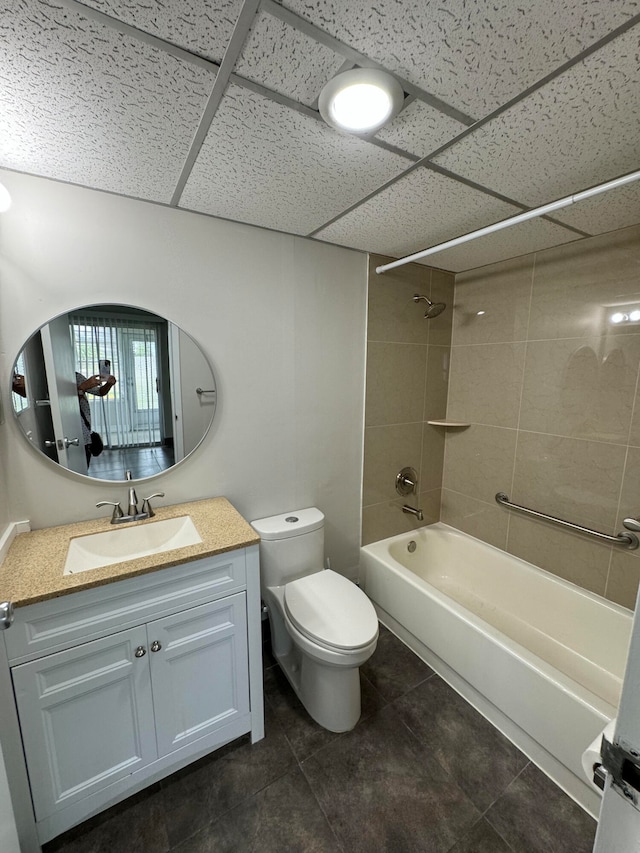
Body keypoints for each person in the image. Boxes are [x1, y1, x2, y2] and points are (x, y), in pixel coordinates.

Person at [76, 371, 116, 465]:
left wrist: (109, 384)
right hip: (73, 432)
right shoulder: (55, 382)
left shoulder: (76, 377)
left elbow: (100, 392)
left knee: (84, 468)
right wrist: (82, 388)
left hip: (85, 432)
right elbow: (68, 407)